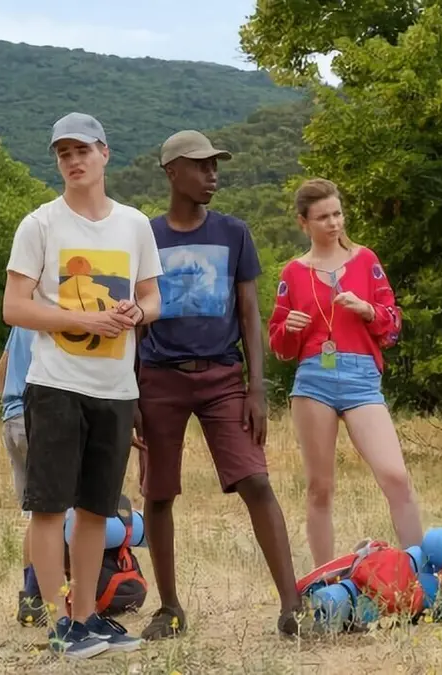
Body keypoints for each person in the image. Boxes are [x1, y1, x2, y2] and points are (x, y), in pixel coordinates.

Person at [3, 112, 163, 659]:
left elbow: (153, 297)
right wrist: (84, 320)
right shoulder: (40, 224)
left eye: (82, 151)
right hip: (55, 384)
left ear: (104, 154)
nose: (73, 161)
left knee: (97, 509)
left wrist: (136, 312)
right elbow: (14, 307)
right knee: (50, 508)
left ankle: (87, 618)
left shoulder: (135, 225)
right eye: (63, 154)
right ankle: (58, 624)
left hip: (115, 388)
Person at [134, 130, 301, 640]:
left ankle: (292, 607)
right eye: (201, 165)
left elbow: (250, 313)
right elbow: (133, 318)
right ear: (172, 172)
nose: (212, 175)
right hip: (158, 378)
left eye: (215, 165)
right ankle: (170, 608)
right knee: (158, 493)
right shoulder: (145, 236)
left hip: (223, 376)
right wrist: (129, 392)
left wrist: (257, 388)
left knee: (256, 481)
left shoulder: (234, 232)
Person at [268, 177, 423, 567]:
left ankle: (419, 569)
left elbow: (392, 326)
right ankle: (325, 577)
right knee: (319, 488)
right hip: (313, 378)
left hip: (361, 377)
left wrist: (367, 310)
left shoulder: (366, 261)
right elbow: (280, 346)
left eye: (337, 214)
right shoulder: (293, 272)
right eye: (323, 217)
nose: (334, 223)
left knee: (396, 477)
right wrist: (290, 329)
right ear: (303, 223)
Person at [0, 326, 44, 626]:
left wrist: (8, 404)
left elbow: (0, 369)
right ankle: (39, 595)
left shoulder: (21, 323)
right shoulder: (52, 316)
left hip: (11, 419)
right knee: (52, 513)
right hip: (35, 417)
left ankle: (30, 598)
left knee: (35, 514)